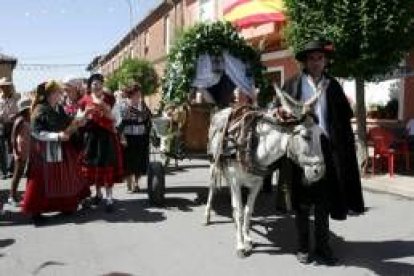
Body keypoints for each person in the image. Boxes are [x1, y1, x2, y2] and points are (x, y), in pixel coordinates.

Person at [277, 39, 365, 265]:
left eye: (320, 58)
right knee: (302, 202)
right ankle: (304, 247)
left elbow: (343, 121)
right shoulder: (293, 84)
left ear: (325, 61)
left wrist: (346, 149)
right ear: (305, 61)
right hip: (301, 149)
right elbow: (278, 111)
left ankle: (323, 247)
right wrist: (283, 114)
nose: (317, 62)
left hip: (326, 149)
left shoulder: (333, 86)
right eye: (312, 58)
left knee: (323, 202)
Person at [21, 81, 88, 221]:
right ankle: (36, 211)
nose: (61, 94)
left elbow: (66, 122)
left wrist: (78, 122)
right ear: (50, 94)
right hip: (43, 152)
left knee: (63, 178)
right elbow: (36, 132)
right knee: (41, 181)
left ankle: (66, 205)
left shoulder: (58, 108)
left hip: (61, 148)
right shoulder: (40, 110)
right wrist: (57, 136)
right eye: (58, 92)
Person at [79, 73, 123, 212]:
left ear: (102, 85)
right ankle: (98, 194)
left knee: (107, 166)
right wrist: (86, 114)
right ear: (90, 86)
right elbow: (79, 121)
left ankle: (109, 198)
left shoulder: (110, 99)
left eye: (99, 83)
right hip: (91, 137)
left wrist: (106, 110)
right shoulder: (84, 100)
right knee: (94, 167)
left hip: (106, 137)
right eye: (94, 83)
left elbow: (118, 119)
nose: (96, 85)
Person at [118, 83, 151, 192]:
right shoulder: (123, 105)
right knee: (128, 162)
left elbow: (148, 118)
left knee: (139, 161)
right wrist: (122, 137)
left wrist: (146, 118)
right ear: (131, 94)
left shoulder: (142, 104)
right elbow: (119, 124)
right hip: (128, 137)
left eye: (139, 93)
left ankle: (136, 184)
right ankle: (129, 184)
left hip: (140, 136)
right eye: (136, 94)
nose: (139, 95)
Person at [8, 97, 32, 206]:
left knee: (21, 173)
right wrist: (16, 152)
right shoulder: (20, 120)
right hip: (20, 150)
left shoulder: (27, 119)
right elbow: (13, 137)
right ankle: (11, 196)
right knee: (17, 174)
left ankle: (15, 196)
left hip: (26, 150)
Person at [0, 77, 18, 179]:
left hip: (12, 125)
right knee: (1, 149)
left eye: (7, 86)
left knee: (13, 148)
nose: (5, 88)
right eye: (3, 86)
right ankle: (3, 172)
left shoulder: (14, 98)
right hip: (1, 125)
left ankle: (11, 170)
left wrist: (14, 115)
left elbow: (18, 112)